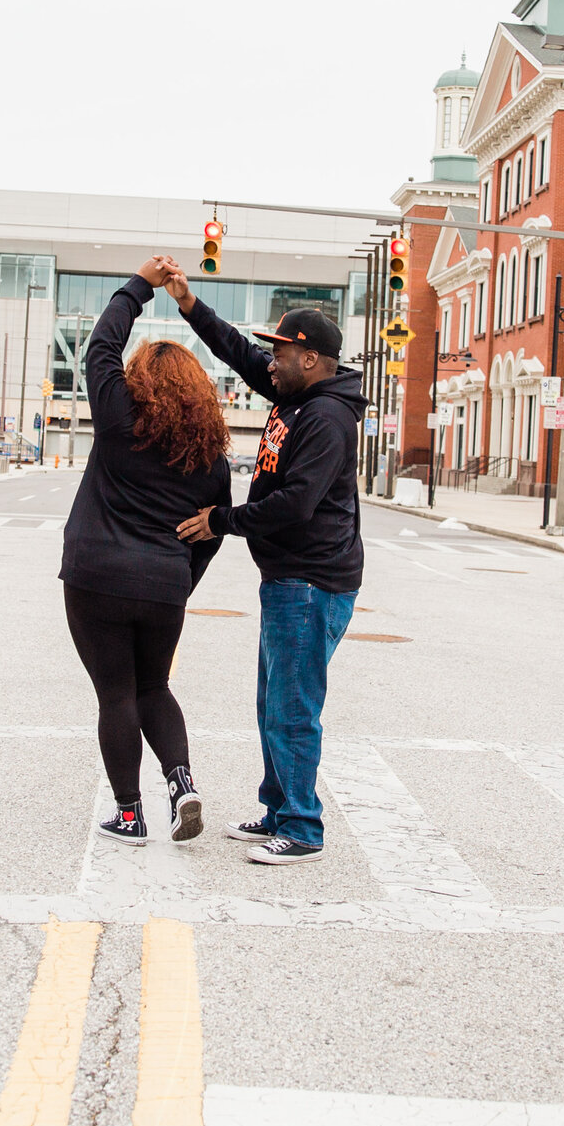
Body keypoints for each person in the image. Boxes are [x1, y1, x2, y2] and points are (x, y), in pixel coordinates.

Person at [165, 270, 366, 866]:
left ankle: (303, 827)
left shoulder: (326, 418)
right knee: (273, 702)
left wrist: (222, 520)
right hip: (288, 581)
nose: (268, 363)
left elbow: (297, 503)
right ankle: (278, 808)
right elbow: (237, 350)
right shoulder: (297, 395)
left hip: (311, 582)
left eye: (279, 353)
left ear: (310, 358)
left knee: (292, 708)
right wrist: (187, 304)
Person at [60, 255, 233, 846]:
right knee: (153, 687)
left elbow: (100, 347)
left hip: (96, 575)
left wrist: (139, 288)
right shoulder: (209, 454)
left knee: (115, 692)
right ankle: (181, 783)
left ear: (139, 381)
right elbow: (211, 530)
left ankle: (130, 813)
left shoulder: (117, 417)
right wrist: (182, 578)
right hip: (163, 584)